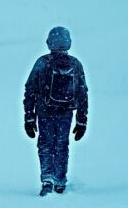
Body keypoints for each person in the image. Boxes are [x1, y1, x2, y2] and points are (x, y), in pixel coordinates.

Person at [23, 26, 89, 196]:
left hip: (44, 112)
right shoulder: (76, 64)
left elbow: (30, 90)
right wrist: (81, 121)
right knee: (62, 145)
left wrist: (29, 118)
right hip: (66, 113)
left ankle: (47, 179)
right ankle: (60, 181)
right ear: (68, 43)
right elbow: (82, 93)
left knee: (45, 144)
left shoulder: (42, 63)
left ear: (49, 42)